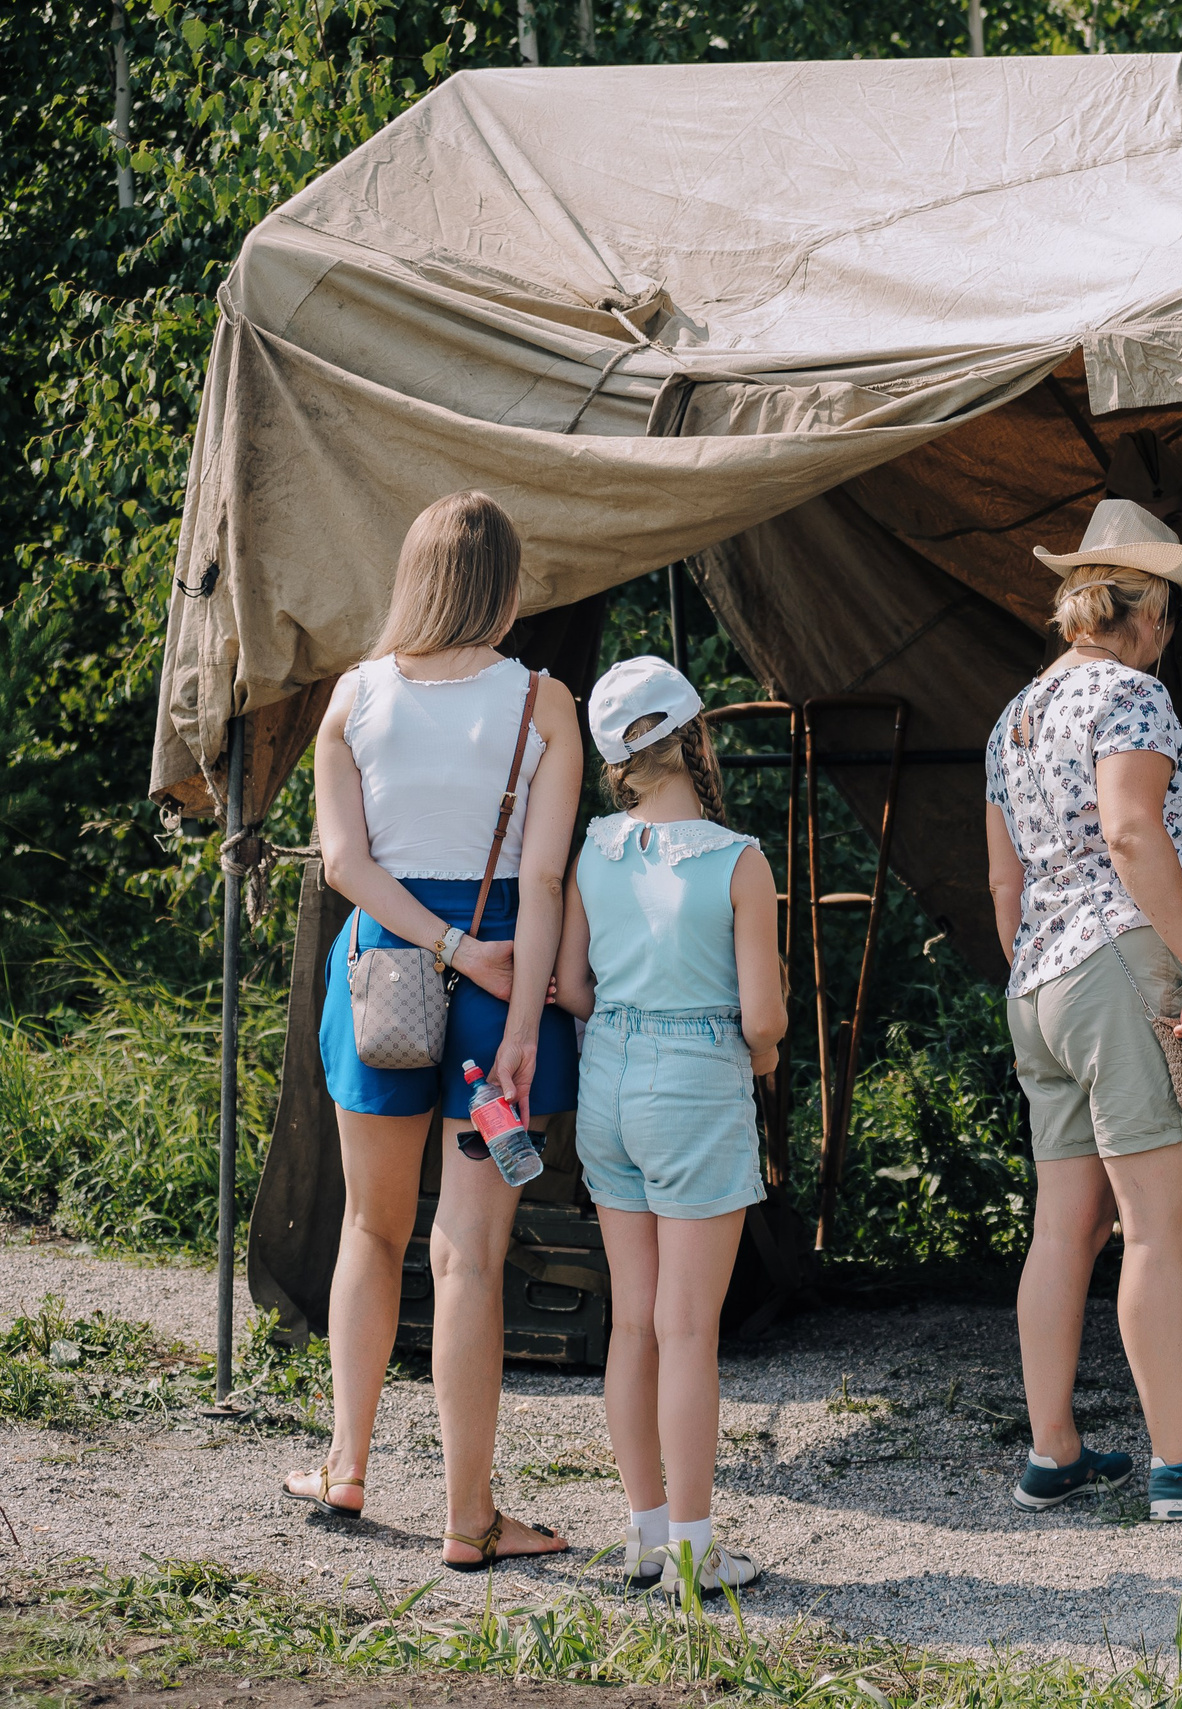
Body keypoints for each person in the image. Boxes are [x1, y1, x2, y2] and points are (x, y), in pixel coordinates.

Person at [986, 497, 1182, 1522]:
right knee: (1162, 1224)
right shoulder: (1130, 696)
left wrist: (1044, 966)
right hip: (1124, 963)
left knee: (1064, 1227)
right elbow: (1130, 831)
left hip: (1040, 980)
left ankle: (1054, 1452)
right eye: (1170, 615)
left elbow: (1003, 882)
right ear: (1150, 609)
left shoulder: (1015, 716)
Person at [292, 491, 581, 1571]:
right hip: (506, 971)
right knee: (470, 1252)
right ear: (505, 586)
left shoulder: (353, 695)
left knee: (371, 1227)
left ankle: (346, 1463)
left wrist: (443, 944)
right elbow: (543, 878)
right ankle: (470, 1516)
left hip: (385, 968)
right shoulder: (546, 703)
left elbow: (344, 864)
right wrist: (515, 1005)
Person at [548, 656, 785, 1598]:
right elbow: (762, 1017)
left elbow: (572, 985)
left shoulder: (595, 850)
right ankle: (695, 1552)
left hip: (608, 1078)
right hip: (694, 1085)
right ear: (695, 736)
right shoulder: (738, 860)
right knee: (690, 1329)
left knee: (634, 1322)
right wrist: (761, 1058)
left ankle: (648, 1536)